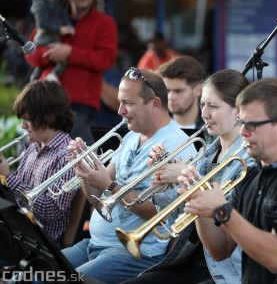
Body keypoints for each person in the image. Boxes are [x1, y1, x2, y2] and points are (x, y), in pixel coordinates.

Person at [177, 78, 277, 284]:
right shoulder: (251, 175)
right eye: (242, 123)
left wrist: (222, 211)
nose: (242, 132)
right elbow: (220, 250)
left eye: (251, 125)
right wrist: (198, 202)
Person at [61, 68, 197, 283]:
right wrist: (85, 172)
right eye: (120, 102)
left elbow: (160, 213)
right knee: (35, 271)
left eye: (128, 103)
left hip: (134, 253)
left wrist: (109, 185)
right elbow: (98, 200)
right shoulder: (132, 137)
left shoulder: (176, 144)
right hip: (94, 244)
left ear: (154, 104)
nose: (120, 110)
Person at [121, 69, 255, 284]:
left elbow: (226, 222)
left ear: (239, 111)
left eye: (213, 106)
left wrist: (189, 179)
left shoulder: (248, 162)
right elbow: (178, 222)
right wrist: (165, 184)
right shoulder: (207, 154)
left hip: (226, 272)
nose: (204, 114)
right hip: (191, 259)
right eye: (203, 104)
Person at [25, 0, 118, 146]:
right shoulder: (51, 16)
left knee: (76, 164)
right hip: (44, 103)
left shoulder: (105, 23)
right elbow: (30, 55)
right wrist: (53, 53)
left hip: (79, 107)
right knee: (35, 160)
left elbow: (106, 59)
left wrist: (70, 53)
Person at [0, 80, 77, 246]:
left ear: (48, 117)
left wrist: (8, 177)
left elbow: (51, 211)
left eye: (27, 119)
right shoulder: (34, 146)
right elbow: (18, 194)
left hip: (41, 243)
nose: (23, 126)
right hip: (20, 232)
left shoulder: (67, 156)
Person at [29, 0, 75, 83]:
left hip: (53, 38)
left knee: (42, 66)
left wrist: (69, 26)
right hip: (45, 38)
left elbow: (63, 16)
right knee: (62, 59)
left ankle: (33, 82)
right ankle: (53, 76)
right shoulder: (40, 4)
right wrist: (59, 29)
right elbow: (43, 23)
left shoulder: (56, 3)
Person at [156, 55, 205, 130]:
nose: (171, 97)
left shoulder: (213, 130)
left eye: (178, 91)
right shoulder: (153, 127)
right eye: (167, 90)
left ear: (197, 90)